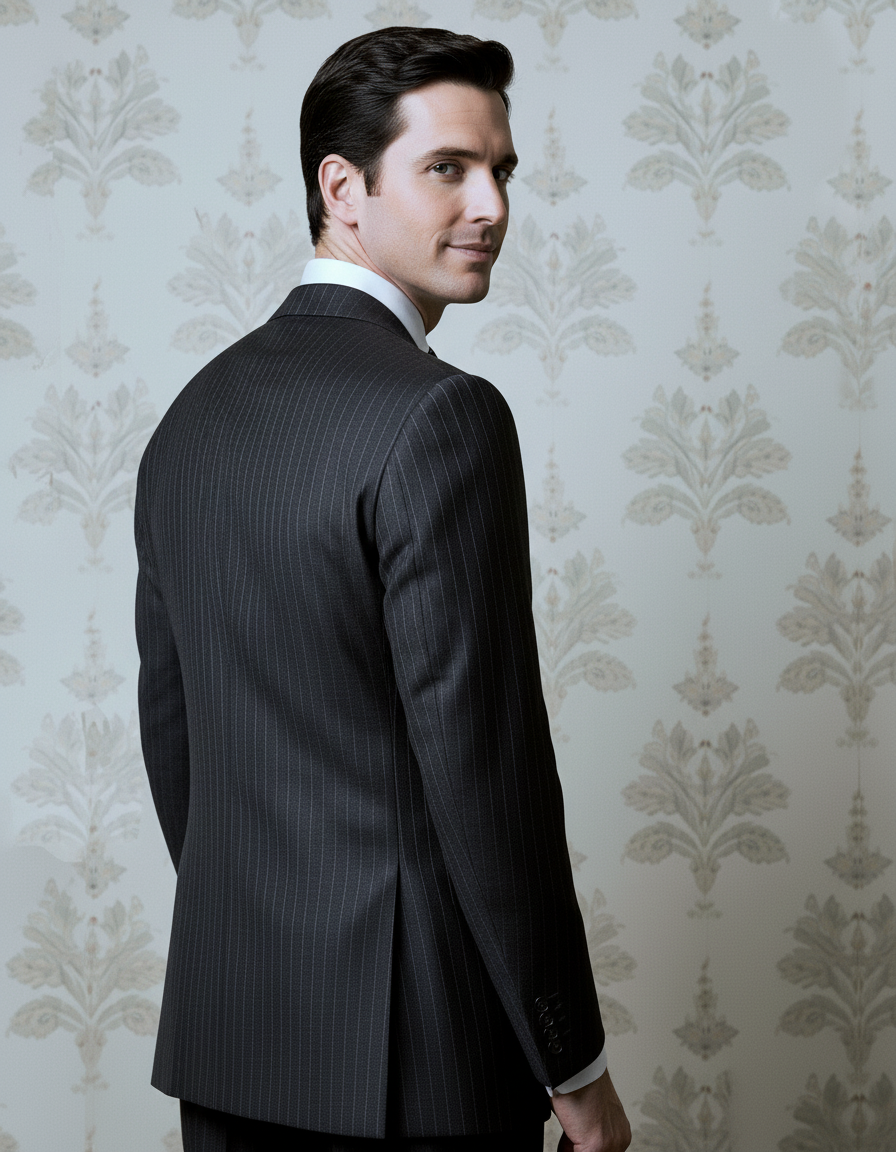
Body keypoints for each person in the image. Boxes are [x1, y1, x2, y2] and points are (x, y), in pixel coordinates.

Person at [135, 26, 631, 1152]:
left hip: (236, 1031)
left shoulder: (192, 417)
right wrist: (573, 1064)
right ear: (341, 188)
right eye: (447, 167)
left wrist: (269, 940)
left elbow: (176, 737)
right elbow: (486, 774)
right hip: (418, 1061)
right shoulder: (444, 415)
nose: (491, 205)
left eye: (501, 170)